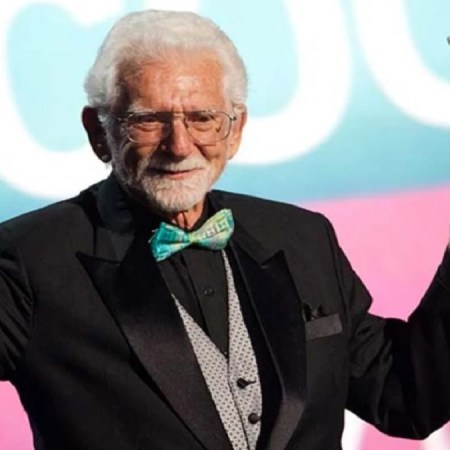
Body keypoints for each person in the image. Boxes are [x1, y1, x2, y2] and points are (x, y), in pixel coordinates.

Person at [1, 9, 450, 450]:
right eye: (148, 120)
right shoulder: (30, 261)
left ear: (235, 130)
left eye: (202, 118)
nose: (179, 145)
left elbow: (407, 397)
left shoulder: (302, 237)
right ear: (99, 132)